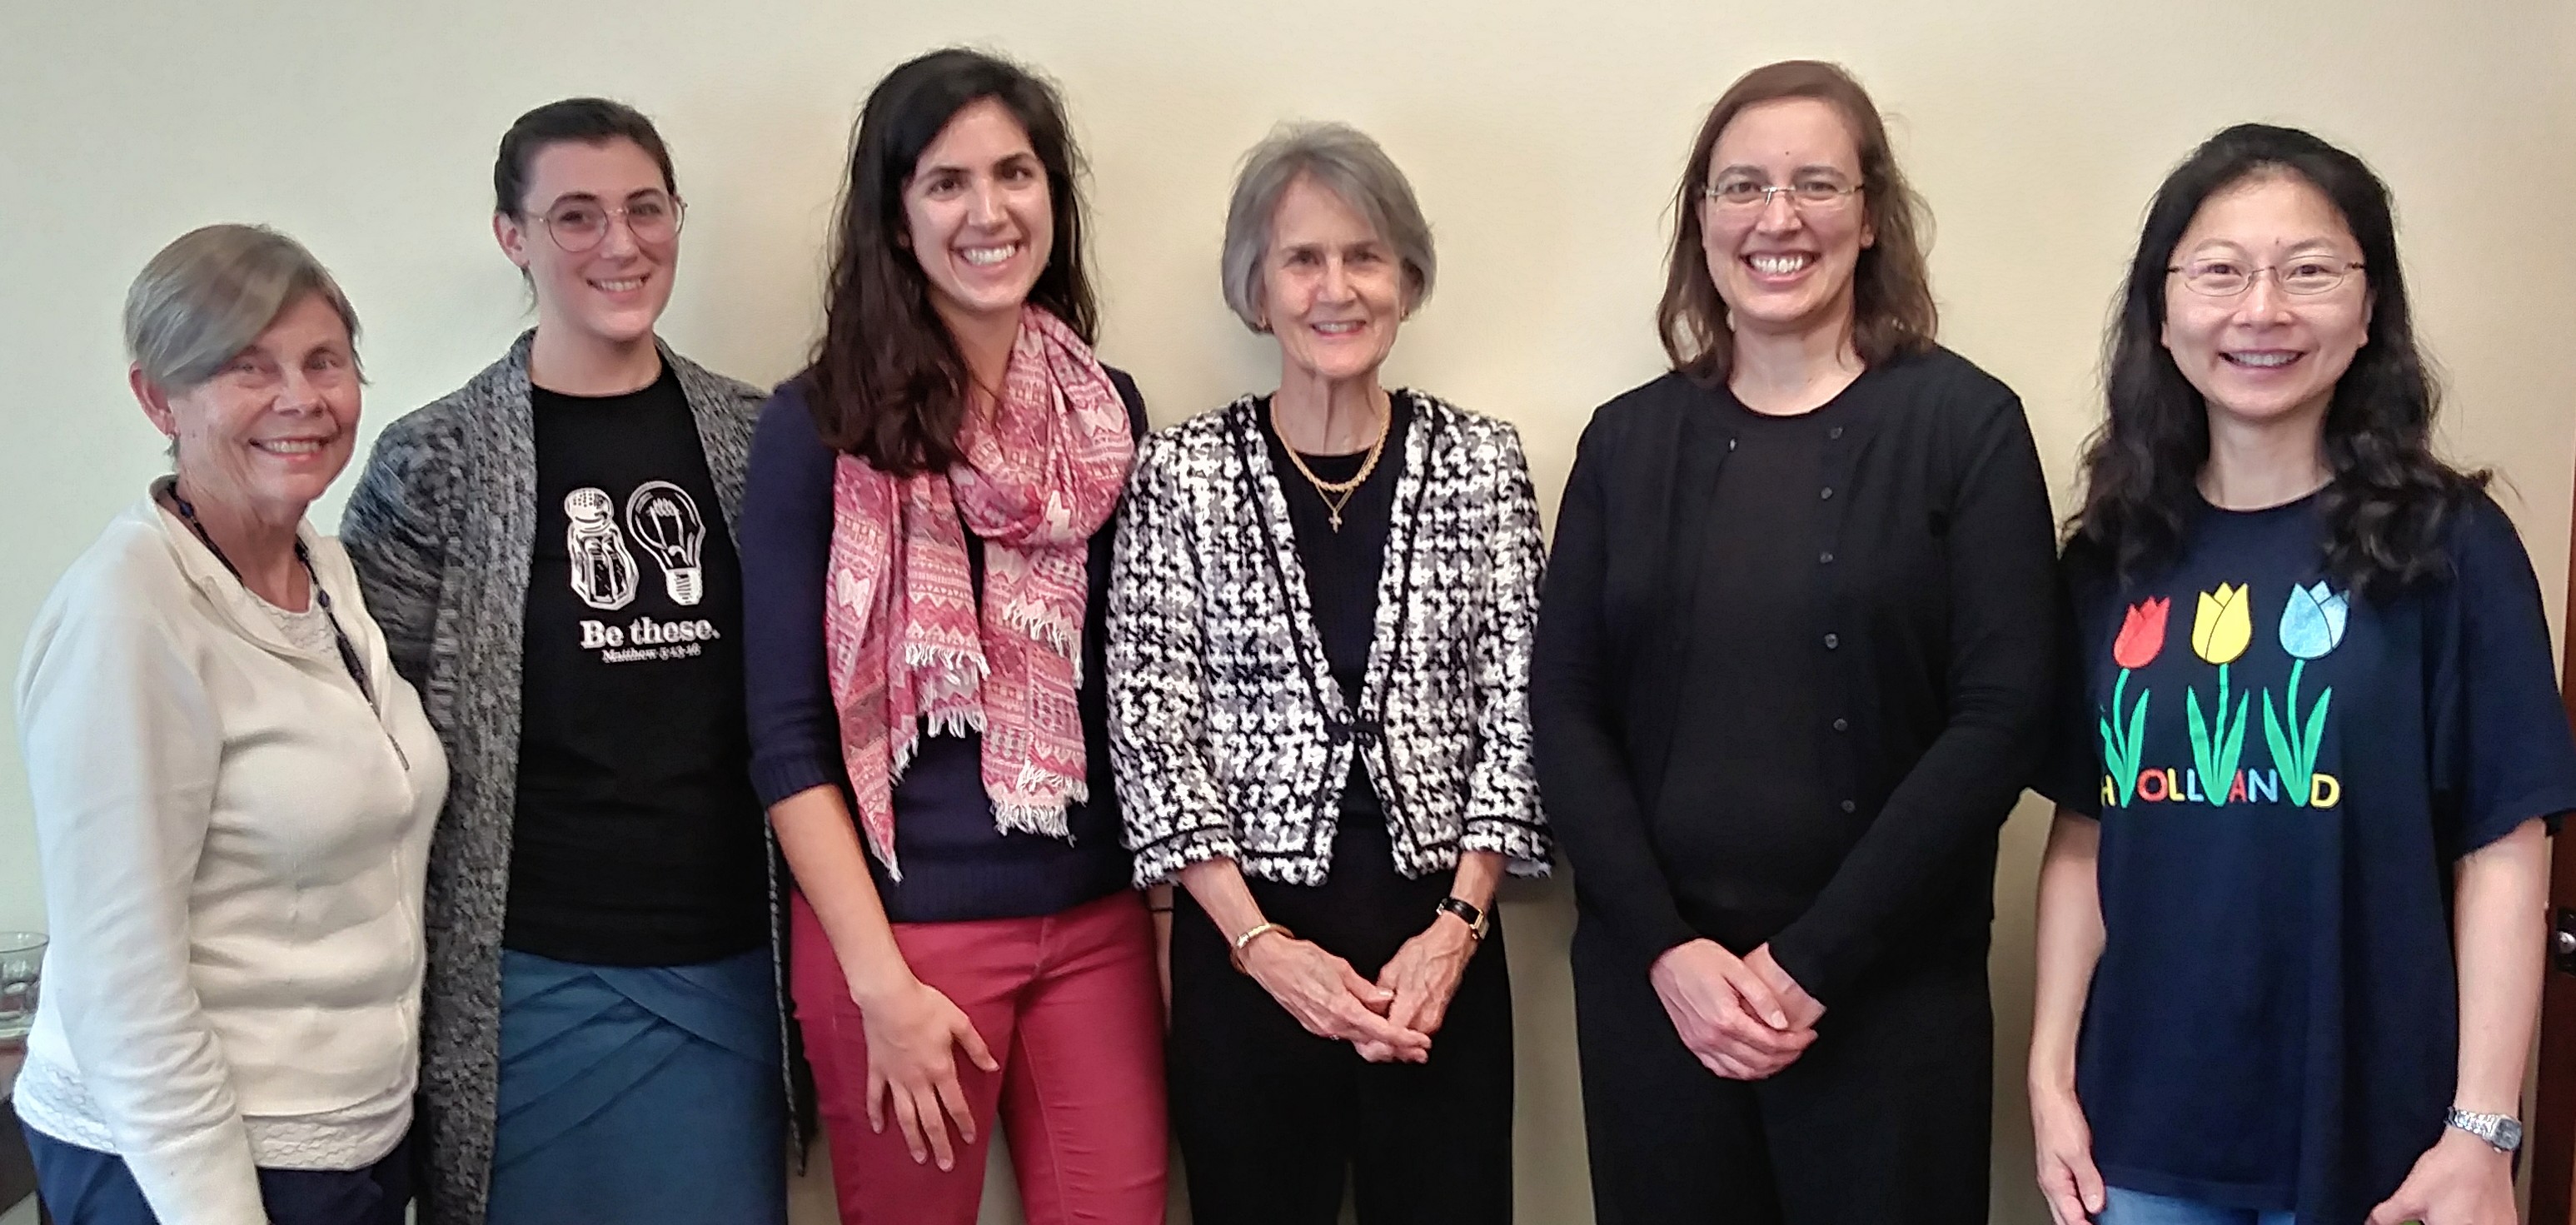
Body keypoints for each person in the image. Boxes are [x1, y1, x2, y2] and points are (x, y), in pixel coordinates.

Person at [1530, 60, 2058, 1224]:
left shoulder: (1966, 427)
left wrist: (1807, 962)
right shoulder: (1624, 443)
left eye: (1815, 183)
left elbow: (2005, 713)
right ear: (1702, 219)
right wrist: (1671, 951)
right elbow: (1563, 711)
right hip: (1658, 996)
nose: (1777, 218)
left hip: (1887, 996)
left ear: (1870, 217)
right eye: (1741, 187)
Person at [2029, 122, 2576, 1225]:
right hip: (2141, 1134)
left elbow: (2506, 848)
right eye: (2220, 271)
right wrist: (2049, 1078)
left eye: (2311, 270)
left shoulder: (2452, 547)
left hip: (2383, 1141)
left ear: (2369, 308)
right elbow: (2086, 834)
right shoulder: (2105, 557)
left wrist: (2482, 1130)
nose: (2262, 310)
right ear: (2162, 309)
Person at [341, 98, 790, 1225]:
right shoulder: (432, 461)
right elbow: (364, 736)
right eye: (575, 215)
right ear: (513, 235)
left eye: (646, 210)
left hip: (727, 962)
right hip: (526, 975)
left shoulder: (760, 438)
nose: (620, 244)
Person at [738, 48, 1167, 1224]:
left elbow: (1133, 696)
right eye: (946, 182)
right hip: (899, 941)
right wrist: (880, 982)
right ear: (894, 214)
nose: (989, 212)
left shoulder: (1106, 416)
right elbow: (783, 737)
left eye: (1016, 174)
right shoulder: (819, 426)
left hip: (1094, 925)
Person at [1109, 121, 1551, 1225]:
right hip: (1246, 951)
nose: (1335, 287)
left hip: (1438, 952)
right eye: (1301, 258)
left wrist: (1456, 925)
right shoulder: (1180, 469)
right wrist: (1262, 949)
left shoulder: (1482, 462)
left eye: (1364, 255)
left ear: (1407, 278)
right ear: (1256, 289)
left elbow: (1524, 704)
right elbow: (1150, 725)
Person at [14, 224, 448, 1225]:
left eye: (324, 361)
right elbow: (124, 985)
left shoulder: (326, 571)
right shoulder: (128, 613)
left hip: (349, 1142)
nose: (301, 398)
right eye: (247, 368)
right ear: (157, 398)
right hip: (182, 1168)